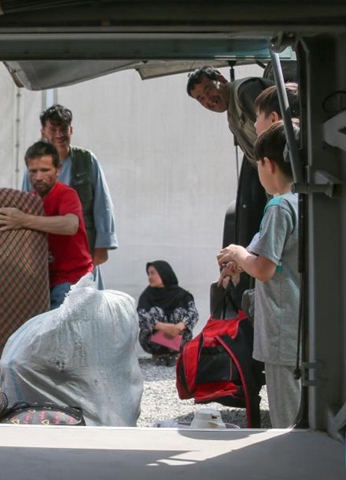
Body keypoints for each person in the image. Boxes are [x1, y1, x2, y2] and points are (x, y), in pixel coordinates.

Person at [217, 121, 300, 428]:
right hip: (309, 329)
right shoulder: (310, 201)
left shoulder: (279, 207)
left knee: (287, 421)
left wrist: (238, 253)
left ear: (267, 164)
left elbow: (265, 269)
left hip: (282, 329)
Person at [187, 66, 273, 304]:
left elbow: (277, 134)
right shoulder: (231, 115)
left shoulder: (245, 91)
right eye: (200, 99)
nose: (208, 100)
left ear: (222, 80)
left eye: (208, 90)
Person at [22, 104, 117, 287]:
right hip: (47, 244)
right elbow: (25, 201)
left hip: (83, 241)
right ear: (43, 132)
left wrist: (103, 244)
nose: (59, 135)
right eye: (53, 129)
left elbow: (102, 204)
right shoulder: (34, 166)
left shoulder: (86, 159)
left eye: (63, 129)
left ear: (71, 130)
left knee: (86, 293)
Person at [0, 140, 93, 310]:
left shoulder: (66, 194)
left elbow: (70, 225)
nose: (38, 177)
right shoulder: (29, 199)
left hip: (73, 278)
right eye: (33, 171)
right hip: (42, 281)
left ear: (58, 169)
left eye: (45, 170)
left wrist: (23, 219)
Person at [137, 261, 199, 367]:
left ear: (164, 273)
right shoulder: (147, 296)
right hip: (153, 342)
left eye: (153, 273)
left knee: (179, 312)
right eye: (149, 274)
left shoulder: (182, 295)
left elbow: (193, 314)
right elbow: (142, 316)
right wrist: (164, 327)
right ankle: (159, 355)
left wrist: (179, 326)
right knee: (156, 312)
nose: (150, 277)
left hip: (179, 338)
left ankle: (175, 354)